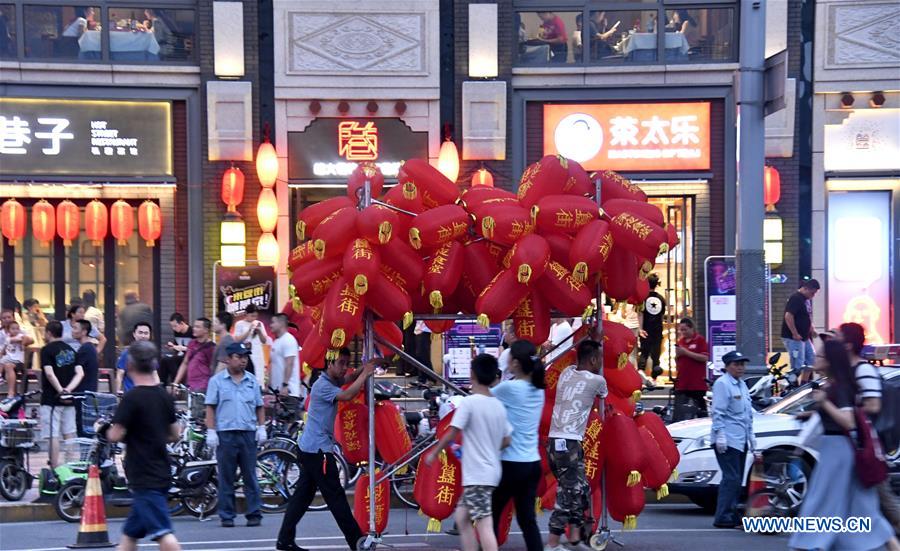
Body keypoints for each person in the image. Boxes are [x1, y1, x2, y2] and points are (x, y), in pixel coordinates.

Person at [788, 340, 898, 550]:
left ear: (829, 360)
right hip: (836, 449)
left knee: (823, 500)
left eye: (819, 356)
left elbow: (848, 421)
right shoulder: (835, 385)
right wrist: (814, 411)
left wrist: (824, 403)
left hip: (837, 451)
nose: (815, 359)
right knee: (859, 506)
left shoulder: (838, 388)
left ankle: (809, 542)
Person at [276, 348, 375, 551]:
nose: (345, 368)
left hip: (310, 449)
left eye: (347, 363)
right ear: (329, 364)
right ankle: (357, 541)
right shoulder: (323, 386)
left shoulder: (330, 380)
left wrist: (366, 367)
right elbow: (348, 394)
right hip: (318, 452)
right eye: (341, 363)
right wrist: (365, 373)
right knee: (336, 497)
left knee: (302, 498)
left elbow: (349, 378)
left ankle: (284, 540)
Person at [427, 354, 512, 551]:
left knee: (483, 524)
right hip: (488, 472)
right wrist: (489, 447)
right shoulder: (498, 405)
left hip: (478, 474)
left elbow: (451, 433)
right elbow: (507, 440)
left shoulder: (470, 403)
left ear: (472, 374)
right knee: (463, 518)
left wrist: (434, 453)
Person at [106, 341, 181, 551]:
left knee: (164, 535)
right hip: (161, 470)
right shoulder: (164, 396)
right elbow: (175, 434)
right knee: (129, 536)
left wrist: (102, 429)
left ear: (130, 365)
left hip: (143, 474)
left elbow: (115, 434)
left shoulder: (131, 398)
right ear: (154, 364)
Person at [546, 340, 608, 551]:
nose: (601, 362)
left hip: (554, 443)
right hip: (569, 443)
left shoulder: (566, 373)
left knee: (581, 489)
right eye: (600, 358)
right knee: (569, 492)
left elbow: (577, 365)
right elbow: (603, 398)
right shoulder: (598, 381)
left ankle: (574, 537)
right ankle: (552, 544)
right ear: (594, 359)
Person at [840, 322, 900, 535]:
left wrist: (845, 412)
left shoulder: (863, 370)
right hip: (857, 444)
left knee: (883, 496)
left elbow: (873, 405)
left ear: (847, 345)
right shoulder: (849, 371)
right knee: (873, 498)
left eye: (838, 338)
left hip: (868, 445)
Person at [490, 341, 545, 551]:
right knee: (527, 519)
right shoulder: (538, 389)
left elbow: (483, 396)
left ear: (515, 363)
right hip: (532, 463)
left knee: (491, 515)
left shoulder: (510, 388)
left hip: (510, 463)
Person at [204, 343, 266, 528]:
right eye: (239, 357)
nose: (243, 360)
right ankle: (227, 515)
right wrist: (211, 431)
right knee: (226, 477)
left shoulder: (252, 380)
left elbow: (259, 406)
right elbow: (210, 407)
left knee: (250, 476)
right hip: (226, 434)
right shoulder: (217, 381)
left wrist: (261, 427)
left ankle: (254, 513)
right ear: (228, 359)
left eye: (245, 357)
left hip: (248, 433)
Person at [709, 350, 755, 528]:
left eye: (742, 364)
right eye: (736, 364)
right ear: (727, 366)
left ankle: (732, 513)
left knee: (737, 479)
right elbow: (717, 412)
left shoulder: (742, 385)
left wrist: (751, 438)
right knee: (732, 478)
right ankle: (723, 516)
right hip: (727, 439)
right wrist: (720, 435)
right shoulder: (723, 383)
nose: (740, 367)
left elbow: (747, 415)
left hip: (740, 439)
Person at [40, 321, 83, 468]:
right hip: (69, 400)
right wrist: (68, 390)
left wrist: (60, 390)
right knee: (69, 433)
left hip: (51, 399)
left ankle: (54, 469)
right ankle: (70, 466)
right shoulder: (71, 350)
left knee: (53, 435)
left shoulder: (46, 350)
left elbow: (49, 373)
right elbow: (80, 373)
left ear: (49, 333)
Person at [781, 279, 820, 379]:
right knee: (797, 365)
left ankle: (804, 383)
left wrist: (812, 329)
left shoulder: (806, 300)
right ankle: (791, 384)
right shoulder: (796, 298)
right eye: (812, 293)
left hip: (804, 337)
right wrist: (794, 333)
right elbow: (788, 316)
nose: (813, 296)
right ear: (806, 289)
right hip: (793, 338)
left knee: (811, 359)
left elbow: (807, 317)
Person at [672, 317, 709, 421]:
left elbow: (704, 357)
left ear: (692, 328)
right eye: (681, 330)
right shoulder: (681, 342)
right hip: (683, 383)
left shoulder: (699, 340)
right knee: (679, 412)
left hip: (697, 383)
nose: (683, 332)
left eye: (685, 329)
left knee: (701, 411)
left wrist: (686, 352)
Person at [173, 318, 215, 393]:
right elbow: (185, 363)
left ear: (206, 330)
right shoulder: (191, 343)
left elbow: (213, 368)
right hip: (189, 386)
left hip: (203, 387)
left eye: (198, 327)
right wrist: (176, 383)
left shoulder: (211, 347)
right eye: (194, 326)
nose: (194, 329)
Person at [233, 305, 270, 386]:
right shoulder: (239, 324)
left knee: (258, 377)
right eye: (252, 316)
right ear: (246, 314)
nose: (254, 318)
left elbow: (264, 341)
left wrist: (259, 332)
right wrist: (249, 330)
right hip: (245, 354)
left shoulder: (259, 323)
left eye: (255, 316)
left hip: (257, 354)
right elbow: (237, 340)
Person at [639, 273, 666, 381]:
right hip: (657, 330)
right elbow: (662, 316)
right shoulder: (661, 299)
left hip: (646, 330)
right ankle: (655, 379)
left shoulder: (643, 298)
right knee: (656, 356)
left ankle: (641, 376)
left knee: (644, 354)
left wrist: (640, 329)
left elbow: (640, 314)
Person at [116, 322, 157, 394]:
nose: (143, 336)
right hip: (131, 393)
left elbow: (154, 374)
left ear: (150, 335)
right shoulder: (127, 353)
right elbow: (120, 374)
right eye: (140, 333)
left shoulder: (151, 353)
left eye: (146, 333)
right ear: (134, 334)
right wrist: (117, 392)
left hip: (148, 393)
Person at [269, 314, 302, 398]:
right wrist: (269, 384)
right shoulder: (276, 341)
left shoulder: (288, 339)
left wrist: (285, 385)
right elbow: (273, 364)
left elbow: (289, 364)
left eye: (273, 322)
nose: (270, 325)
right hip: (277, 392)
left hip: (288, 392)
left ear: (281, 324)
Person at [159, 313, 193, 385]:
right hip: (179, 356)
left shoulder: (192, 332)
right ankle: (162, 383)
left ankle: (176, 384)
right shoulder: (177, 332)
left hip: (189, 357)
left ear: (182, 323)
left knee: (172, 361)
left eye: (175, 326)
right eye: (172, 326)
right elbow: (177, 346)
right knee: (164, 359)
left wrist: (183, 348)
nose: (173, 328)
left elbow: (196, 349)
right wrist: (173, 346)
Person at [1, 319, 30, 398]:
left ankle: (11, 392)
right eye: (13, 329)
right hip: (9, 359)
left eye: (17, 329)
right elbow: (3, 349)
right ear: (9, 330)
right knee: (5, 364)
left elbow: (24, 339)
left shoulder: (20, 336)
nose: (15, 330)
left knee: (8, 366)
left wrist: (21, 343)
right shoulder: (7, 337)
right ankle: (11, 392)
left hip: (18, 361)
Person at [73, 319, 99, 394]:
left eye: (75, 328)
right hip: (89, 392)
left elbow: (79, 373)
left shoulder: (85, 349)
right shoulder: (90, 347)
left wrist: (67, 389)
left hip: (83, 394)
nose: (72, 331)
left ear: (84, 332)